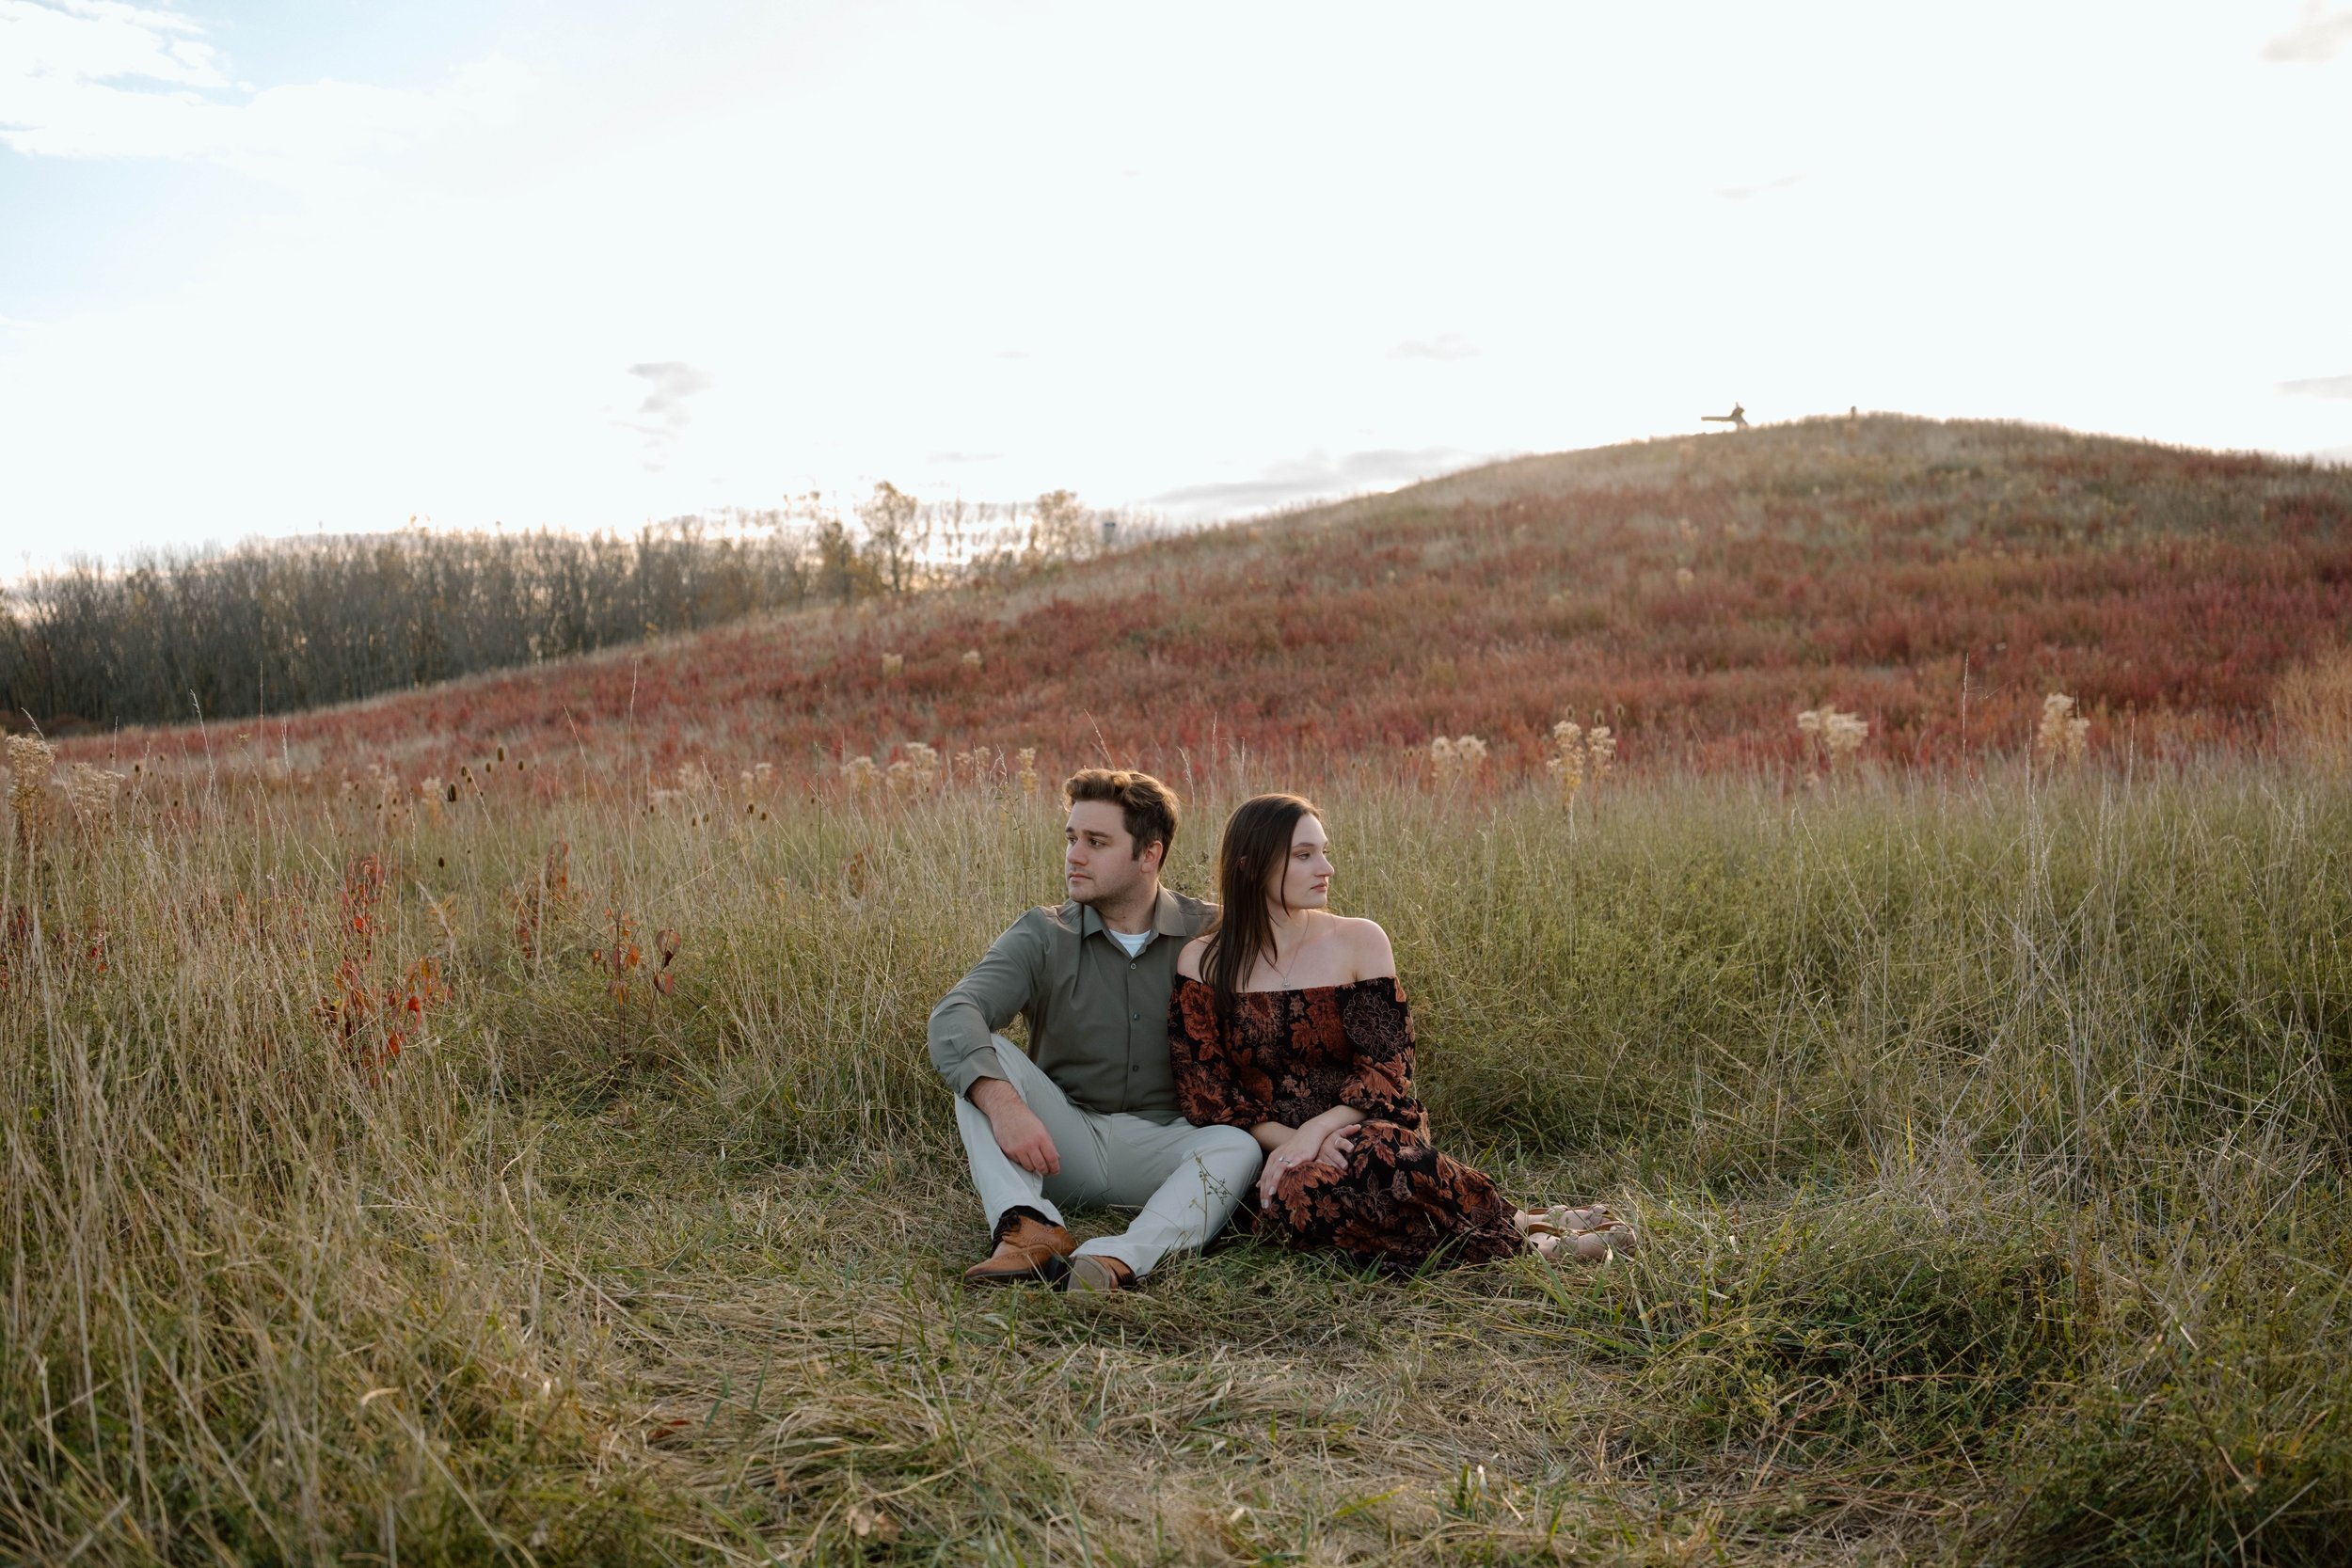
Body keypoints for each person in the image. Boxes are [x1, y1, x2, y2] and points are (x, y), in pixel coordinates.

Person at [1168, 793, 1634, 1272]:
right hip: (1273, 1147)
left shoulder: (1360, 940)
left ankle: (1520, 1228)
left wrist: (1319, 1128)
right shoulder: (1205, 962)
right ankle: (1526, 1233)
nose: (1325, 868)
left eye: (1324, 851)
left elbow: (1387, 1068)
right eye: (1304, 856)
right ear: (1249, 866)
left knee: (1382, 1158)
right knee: (1301, 1192)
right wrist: (1294, 1142)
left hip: (1369, 1120)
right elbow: (1208, 1094)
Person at [930, 768, 1263, 1294]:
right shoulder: (1044, 932)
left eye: (1096, 842)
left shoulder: (1212, 934)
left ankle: (1116, 1259)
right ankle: (1029, 1228)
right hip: (1063, 1144)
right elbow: (955, 1012)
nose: (1074, 855)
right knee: (983, 1054)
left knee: (1238, 1147)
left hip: (1171, 1146)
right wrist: (1006, 1105)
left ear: (1149, 855)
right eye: (1071, 838)